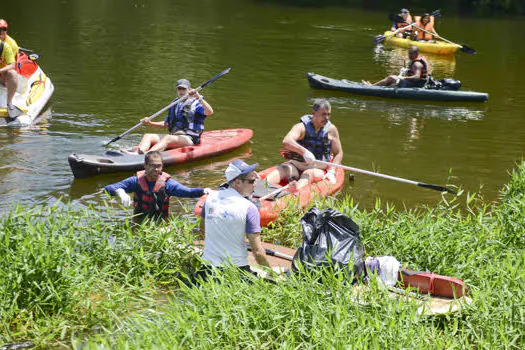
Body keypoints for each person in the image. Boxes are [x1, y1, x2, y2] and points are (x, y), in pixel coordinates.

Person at [199, 159, 271, 278]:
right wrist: (271, 274)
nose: (255, 184)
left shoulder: (210, 199)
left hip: (207, 269)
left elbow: (202, 231)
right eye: (251, 181)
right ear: (237, 182)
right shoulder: (249, 207)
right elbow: (257, 252)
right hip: (236, 271)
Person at [104, 151, 210, 223]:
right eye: (152, 165)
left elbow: (188, 192)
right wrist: (120, 192)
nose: (155, 169)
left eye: (158, 166)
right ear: (145, 165)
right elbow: (108, 189)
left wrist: (204, 191)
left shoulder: (168, 184)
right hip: (139, 221)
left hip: (161, 222)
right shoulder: (135, 182)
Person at [264, 99, 343, 191]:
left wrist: (332, 170)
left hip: (317, 169)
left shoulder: (331, 130)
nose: (327, 118)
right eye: (323, 114)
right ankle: (261, 185)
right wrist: (305, 152)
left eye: (328, 114)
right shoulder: (301, 127)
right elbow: (287, 141)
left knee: (308, 173)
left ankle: (295, 190)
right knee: (284, 168)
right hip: (297, 166)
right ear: (314, 113)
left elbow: (338, 153)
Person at [138, 78, 214, 154]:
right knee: (148, 136)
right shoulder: (175, 103)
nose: (181, 91)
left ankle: (146, 156)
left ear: (189, 90)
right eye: (179, 89)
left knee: (168, 138)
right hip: (175, 136)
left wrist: (198, 97)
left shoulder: (196, 103)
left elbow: (209, 112)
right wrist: (150, 123)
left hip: (190, 138)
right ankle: (137, 153)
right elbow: (166, 124)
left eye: (183, 89)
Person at [363, 46, 429, 88]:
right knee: (392, 83)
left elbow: (417, 77)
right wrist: (407, 71)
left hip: (417, 84)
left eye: (411, 54)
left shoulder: (417, 64)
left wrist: (403, 78)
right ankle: (377, 87)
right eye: (409, 54)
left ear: (416, 54)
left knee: (391, 78)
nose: (409, 56)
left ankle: (372, 86)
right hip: (417, 83)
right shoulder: (416, 62)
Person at [0, 19, 21, 119]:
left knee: (12, 73)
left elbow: (12, 64)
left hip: (3, 74)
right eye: (0, 30)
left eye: (4, 29)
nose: (2, 32)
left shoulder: (10, 46)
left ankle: (9, 103)